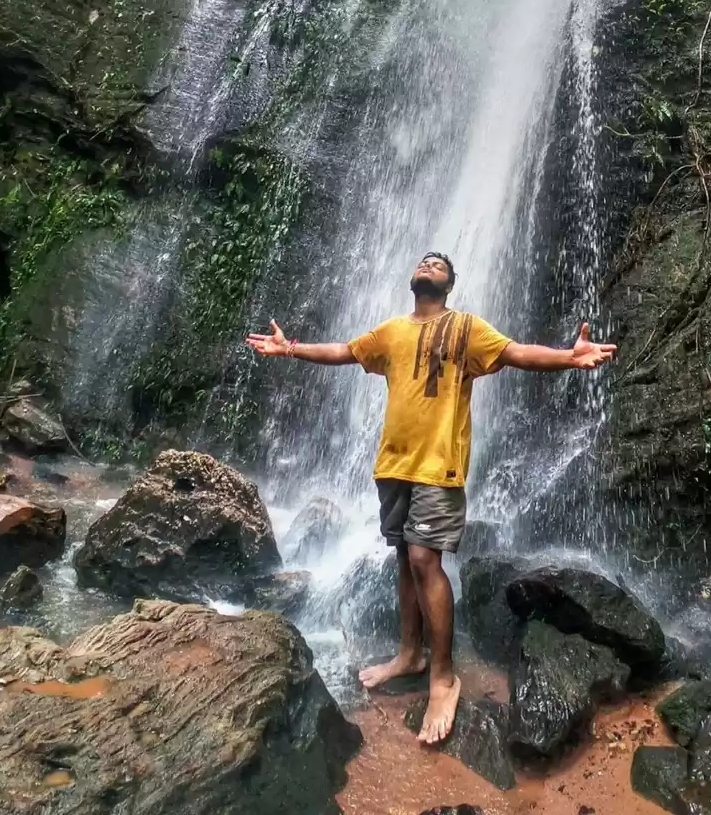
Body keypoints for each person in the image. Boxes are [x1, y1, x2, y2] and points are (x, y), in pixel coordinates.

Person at [246, 250, 616, 746]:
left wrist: (568, 357)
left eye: (439, 264)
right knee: (405, 557)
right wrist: (290, 348)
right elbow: (343, 351)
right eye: (424, 261)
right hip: (392, 465)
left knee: (425, 558)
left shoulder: (465, 328)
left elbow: (516, 352)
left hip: (438, 468)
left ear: (449, 284)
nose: (429, 263)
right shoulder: (391, 333)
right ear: (413, 278)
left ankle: (443, 675)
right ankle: (409, 654)